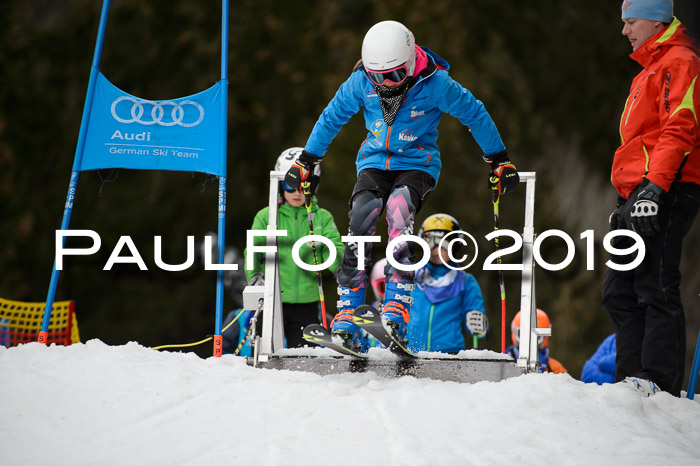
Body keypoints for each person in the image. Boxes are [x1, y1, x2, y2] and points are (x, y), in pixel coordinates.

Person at [283, 20, 518, 351]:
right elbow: (331, 117)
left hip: (417, 165)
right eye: (376, 76)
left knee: (398, 209)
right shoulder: (360, 83)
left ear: (409, 63)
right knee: (361, 217)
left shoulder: (436, 84)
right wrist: (307, 160)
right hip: (375, 163)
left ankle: (397, 305)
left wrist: (499, 159)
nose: (384, 84)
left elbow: (474, 114)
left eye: (393, 76)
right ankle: (347, 312)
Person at [602, 0, 700, 397]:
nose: (625, 31)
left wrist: (655, 188)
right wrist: (626, 199)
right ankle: (629, 383)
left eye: (631, 22)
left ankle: (658, 383)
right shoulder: (647, 71)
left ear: (656, 19)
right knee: (618, 291)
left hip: (668, 185)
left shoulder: (681, 61)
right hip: (637, 189)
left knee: (654, 283)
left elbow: (681, 126)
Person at [244, 147, 345, 348]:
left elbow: (333, 246)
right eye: (290, 186)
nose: (297, 192)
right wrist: (254, 274)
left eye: (303, 186)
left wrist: (340, 268)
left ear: (313, 185)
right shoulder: (268, 215)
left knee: (304, 356)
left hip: (306, 303)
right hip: (272, 299)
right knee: (266, 351)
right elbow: (253, 248)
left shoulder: (322, 217)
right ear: (281, 186)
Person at [407, 213, 488, 354]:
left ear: (455, 246)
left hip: (449, 356)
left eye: (444, 243)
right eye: (430, 242)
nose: (437, 250)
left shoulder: (466, 281)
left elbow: (477, 321)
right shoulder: (410, 276)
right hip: (410, 353)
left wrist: (479, 326)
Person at [506, 309, 567, 374]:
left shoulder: (555, 369)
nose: (529, 340)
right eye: (524, 334)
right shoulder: (501, 363)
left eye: (536, 337)